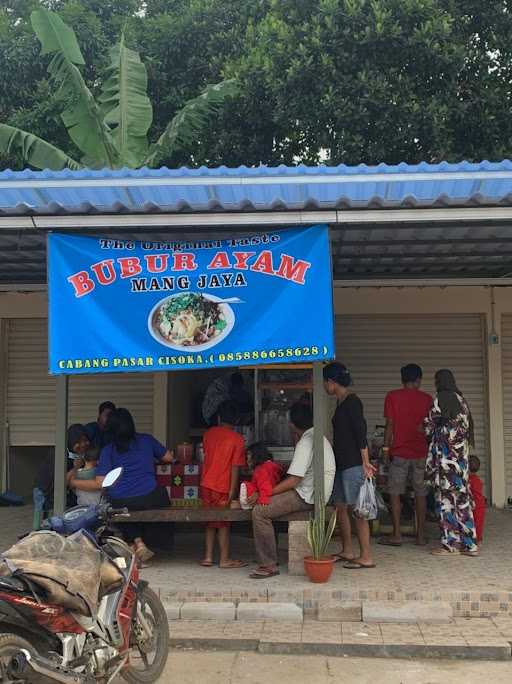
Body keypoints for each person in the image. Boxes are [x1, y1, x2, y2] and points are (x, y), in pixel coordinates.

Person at [70, 408, 174, 564]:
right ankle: (139, 544)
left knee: (115, 505)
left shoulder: (108, 451)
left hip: (122, 500)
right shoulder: (147, 440)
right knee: (157, 496)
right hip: (150, 496)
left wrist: (72, 482)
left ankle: (136, 544)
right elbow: (168, 457)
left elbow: (100, 483)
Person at [249, 402, 336, 579]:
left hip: (306, 497)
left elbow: (295, 480)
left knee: (260, 511)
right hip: (317, 494)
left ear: (292, 424)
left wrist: (266, 493)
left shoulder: (306, 441)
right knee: (266, 506)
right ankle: (270, 558)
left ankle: (268, 565)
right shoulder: (318, 436)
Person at [323, 362, 376, 569]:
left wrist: (365, 463)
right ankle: (348, 549)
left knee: (359, 510)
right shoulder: (341, 402)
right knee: (340, 506)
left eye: (325, 382)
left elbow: (360, 433)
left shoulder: (353, 402)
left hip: (354, 464)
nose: (325, 386)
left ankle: (366, 556)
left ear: (332, 382)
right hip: (341, 463)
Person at [424, 369, 479, 556]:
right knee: (462, 503)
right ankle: (470, 545)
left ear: (439, 382)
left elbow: (428, 426)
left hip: (445, 465)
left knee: (446, 503)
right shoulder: (462, 402)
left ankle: (450, 545)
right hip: (461, 465)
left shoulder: (439, 400)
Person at [379, 364, 433, 547]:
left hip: (400, 453)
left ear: (402, 379)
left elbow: (390, 425)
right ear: (418, 380)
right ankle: (421, 536)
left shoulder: (393, 396)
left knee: (395, 493)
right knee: (420, 493)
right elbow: (430, 428)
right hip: (421, 453)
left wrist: (386, 449)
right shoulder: (427, 399)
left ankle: (397, 535)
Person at [200, 400, 247, 568]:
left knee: (210, 520)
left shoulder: (208, 434)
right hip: (222, 485)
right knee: (224, 522)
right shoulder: (238, 439)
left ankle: (207, 557)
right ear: (237, 420)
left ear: (219, 417)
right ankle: (224, 559)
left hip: (206, 484)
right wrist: (232, 492)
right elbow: (235, 468)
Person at [238, 442, 284, 509]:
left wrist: (263, 500)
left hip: (265, 499)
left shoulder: (261, 470)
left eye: (249, 454)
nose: (247, 457)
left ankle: (245, 505)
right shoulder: (269, 466)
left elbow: (265, 486)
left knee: (245, 485)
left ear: (256, 455)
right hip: (271, 496)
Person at [468, 455, 486, 544]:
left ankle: (477, 540)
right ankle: (477, 539)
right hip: (479, 505)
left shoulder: (470, 481)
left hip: (477, 506)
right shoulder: (477, 480)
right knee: (478, 523)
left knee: (477, 523)